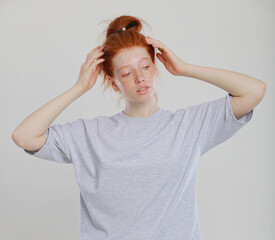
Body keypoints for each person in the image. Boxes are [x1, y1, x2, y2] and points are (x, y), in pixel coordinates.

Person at [11, 15, 266, 240]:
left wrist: (185, 69)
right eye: (126, 73)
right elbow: (24, 136)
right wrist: (79, 87)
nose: (140, 77)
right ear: (113, 84)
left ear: (156, 69)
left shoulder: (189, 125)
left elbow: (254, 91)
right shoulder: (89, 135)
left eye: (145, 67)